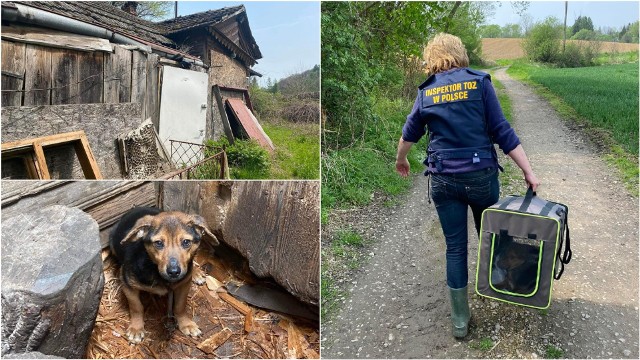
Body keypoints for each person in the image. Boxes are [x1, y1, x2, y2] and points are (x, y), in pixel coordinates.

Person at [395, 33, 540, 338]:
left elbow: (408, 135)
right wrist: (528, 171)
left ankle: (460, 320)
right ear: (460, 54)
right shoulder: (480, 83)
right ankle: (501, 288)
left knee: (455, 248)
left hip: (444, 181)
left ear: (432, 58)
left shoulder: (426, 92)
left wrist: (401, 161)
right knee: (491, 238)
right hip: (480, 179)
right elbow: (502, 131)